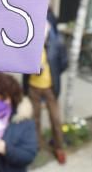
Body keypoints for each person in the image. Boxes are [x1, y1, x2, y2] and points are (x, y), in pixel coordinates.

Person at [24, 20, 68, 164]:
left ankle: (59, 147)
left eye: (44, 30)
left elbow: (64, 63)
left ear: (49, 30)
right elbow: (22, 63)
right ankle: (37, 145)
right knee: (34, 118)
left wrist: (53, 72)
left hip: (50, 87)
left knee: (55, 118)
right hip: (33, 87)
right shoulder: (29, 43)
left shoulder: (57, 43)